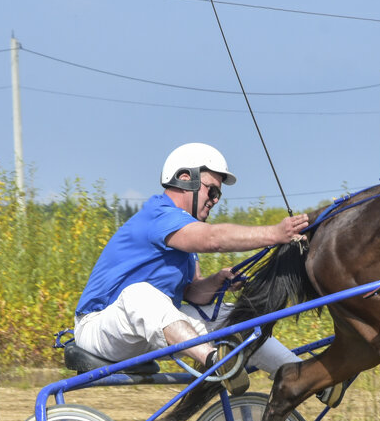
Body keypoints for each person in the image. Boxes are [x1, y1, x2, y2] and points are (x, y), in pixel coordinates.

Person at [73, 142, 342, 403]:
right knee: (140, 294)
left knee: (231, 315)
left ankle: (304, 376)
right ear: (184, 178)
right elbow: (212, 238)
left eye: (218, 195)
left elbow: (192, 294)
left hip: (143, 329)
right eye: (211, 191)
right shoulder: (159, 215)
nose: (215, 201)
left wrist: (215, 282)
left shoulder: (185, 242)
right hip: (98, 328)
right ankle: (218, 362)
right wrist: (274, 233)